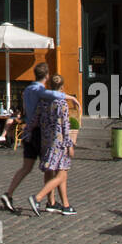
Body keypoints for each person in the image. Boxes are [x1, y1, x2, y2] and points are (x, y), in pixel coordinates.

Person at [1, 63, 76, 214]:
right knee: (55, 170)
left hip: (29, 131)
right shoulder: (42, 93)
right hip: (42, 136)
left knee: (26, 167)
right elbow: (56, 97)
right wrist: (70, 98)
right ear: (47, 76)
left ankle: (9, 194)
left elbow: (31, 113)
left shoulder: (27, 90)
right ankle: (48, 201)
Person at [24, 75, 75, 217]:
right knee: (62, 174)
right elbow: (65, 126)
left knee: (51, 171)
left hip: (45, 141)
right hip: (59, 143)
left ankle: (56, 203)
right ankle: (37, 198)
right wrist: (70, 144)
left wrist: (27, 132)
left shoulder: (43, 102)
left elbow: (35, 119)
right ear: (62, 87)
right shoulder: (62, 104)